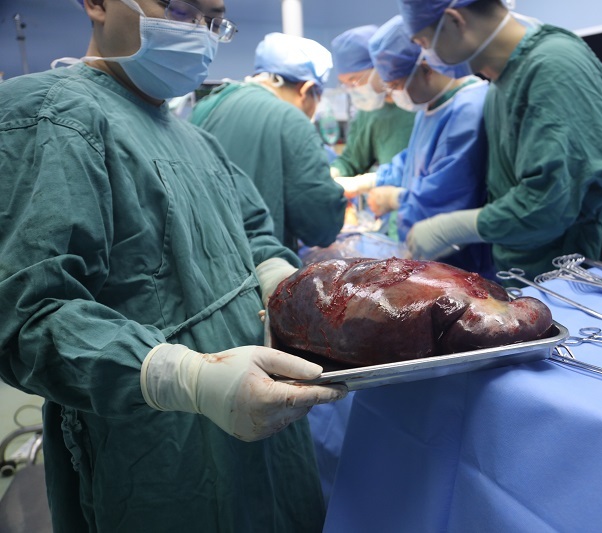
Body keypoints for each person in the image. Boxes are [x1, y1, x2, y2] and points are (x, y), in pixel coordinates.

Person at [0, 0, 347, 531]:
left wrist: (277, 280)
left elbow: (255, 231)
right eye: (179, 8)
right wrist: (182, 377)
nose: (198, 33)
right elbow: (28, 316)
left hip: (266, 434)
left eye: (213, 21)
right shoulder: (49, 117)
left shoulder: (197, 141)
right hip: (157, 449)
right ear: (96, 4)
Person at [397, 0, 602, 280]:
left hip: (580, 270)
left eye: (424, 43)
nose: (427, 57)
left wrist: (456, 227)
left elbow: (551, 202)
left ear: (454, 21)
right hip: (532, 268)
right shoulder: (499, 83)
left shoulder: (554, 68)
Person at [359, 15, 493, 277]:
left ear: (426, 69)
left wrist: (396, 199)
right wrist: (373, 180)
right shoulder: (430, 107)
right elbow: (414, 160)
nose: (395, 94)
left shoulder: (469, 109)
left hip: (462, 263)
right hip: (431, 260)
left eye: (396, 85)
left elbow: (447, 196)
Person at [190, 32, 347, 252]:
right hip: (262, 263)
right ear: (306, 90)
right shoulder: (291, 119)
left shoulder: (207, 106)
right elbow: (320, 226)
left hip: (203, 255)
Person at [329, 25, 416, 182]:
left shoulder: (417, 103)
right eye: (344, 83)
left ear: (381, 69)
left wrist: (371, 181)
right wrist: (334, 172)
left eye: (354, 80)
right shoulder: (368, 111)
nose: (351, 89)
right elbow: (352, 160)